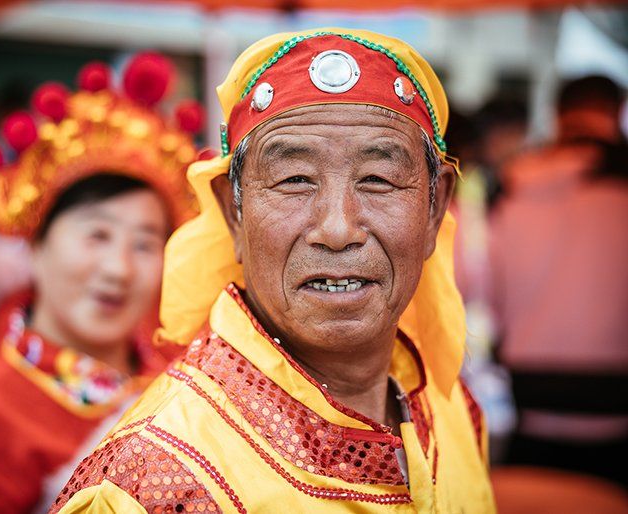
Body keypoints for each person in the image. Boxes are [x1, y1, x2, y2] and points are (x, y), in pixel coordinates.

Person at [52, 29, 495, 513]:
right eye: (294, 180)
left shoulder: (452, 411)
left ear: (436, 209)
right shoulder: (150, 484)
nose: (337, 228)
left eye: (378, 179)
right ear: (233, 214)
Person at [0, 54, 201, 514]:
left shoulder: (183, 368)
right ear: (36, 244)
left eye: (145, 244)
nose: (119, 269)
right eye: (97, 235)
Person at [489, 75, 628, 485]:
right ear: (615, 111)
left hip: (526, 393)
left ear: (557, 114)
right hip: (618, 394)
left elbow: (485, 286)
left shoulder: (513, 181)